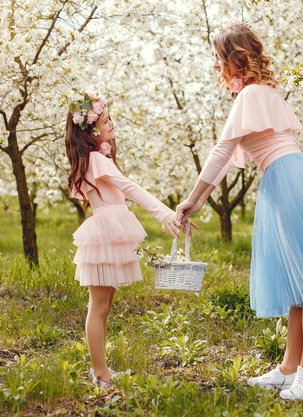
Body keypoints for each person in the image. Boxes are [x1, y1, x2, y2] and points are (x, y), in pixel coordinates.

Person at [176, 22, 303, 400]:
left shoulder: (250, 96)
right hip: (291, 178)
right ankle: (289, 367)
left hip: (290, 179)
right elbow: (231, 155)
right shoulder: (264, 92)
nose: (218, 68)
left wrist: (193, 199)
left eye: (219, 60)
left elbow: (222, 152)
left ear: (234, 59)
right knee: (299, 281)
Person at [65, 92, 181, 387]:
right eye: (105, 121)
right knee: (99, 307)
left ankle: (102, 370)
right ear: (92, 130)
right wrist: (163, 213)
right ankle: (99, 373)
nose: (111, 124)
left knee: (103, 307)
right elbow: (130, 188)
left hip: (109, 231)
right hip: (107, 232)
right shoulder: (96, 160)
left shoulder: (93, 160)